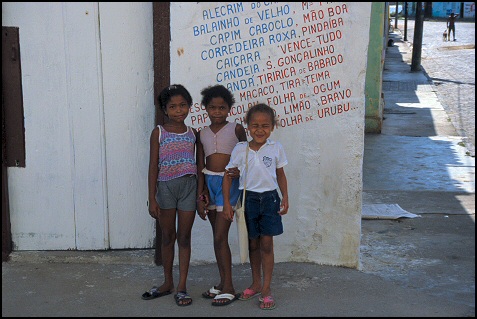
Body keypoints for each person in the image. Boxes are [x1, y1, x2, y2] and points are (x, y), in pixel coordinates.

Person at [222, 103, 289, 310]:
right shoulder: (240, 149)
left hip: (269, 200)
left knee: (266, 244)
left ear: (272, 127)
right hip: (248, 200)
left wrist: (285, 197)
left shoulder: (275, 148)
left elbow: (280, 175)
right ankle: (256, 283)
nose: (260, 130)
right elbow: (228, 175)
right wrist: (227, 203)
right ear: (248, 127)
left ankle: (267, 288)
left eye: (265, 126)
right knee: (252, 244)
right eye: (255, 125)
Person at [143, 84, 198, 307]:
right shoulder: (159, 132)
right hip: (165, 189)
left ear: (189, 107)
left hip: (189, 189)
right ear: (165, 110)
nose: (178, 110)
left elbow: (198, 164)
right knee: (168, 237)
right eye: (173, 106)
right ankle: (168, 283)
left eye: (183, 105)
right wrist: (152, 197)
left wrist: (201, 194)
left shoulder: (193, 134)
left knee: (184, 238)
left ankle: (182, 286)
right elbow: (153, 166)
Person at [196, 84, 247, 306]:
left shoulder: (236, 129)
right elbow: (200, 165)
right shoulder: (202, 134)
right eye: (213, 107)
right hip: (210, 184)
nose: (217, 112)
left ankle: (229, 287)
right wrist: (201, 193)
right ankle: (222, 281)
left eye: (222, 108)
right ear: (205, 108)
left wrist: (241, 172)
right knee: (218, 239)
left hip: (229, 185)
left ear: (229, 109)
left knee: (220, 237)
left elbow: (247, 155)